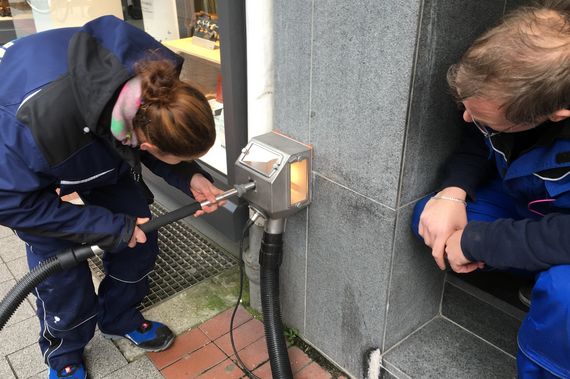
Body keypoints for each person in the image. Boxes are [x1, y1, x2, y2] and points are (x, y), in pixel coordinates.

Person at [0, 16, 224, 379]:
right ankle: (64, 354)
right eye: (179, 160)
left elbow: (158, 133)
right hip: (32, 145)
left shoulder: (156, 83)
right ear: (146, 145)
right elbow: (13, 204)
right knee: (62, 277)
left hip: (99, 136)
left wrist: (190, 175)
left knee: (139, 239)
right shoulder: (35, 122)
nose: (182, 165)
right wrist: (104, 226)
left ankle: (119, 318)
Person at [412, 1, 570, 377]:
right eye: (466, 107)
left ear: (554, 115)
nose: (467, 117)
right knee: (431, 220)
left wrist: (480, 242)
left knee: (563, 299)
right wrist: (453, 191)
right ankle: (537, 271)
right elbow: (474, 139)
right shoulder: (500, 96)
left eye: (483, 118)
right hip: (532, 201)